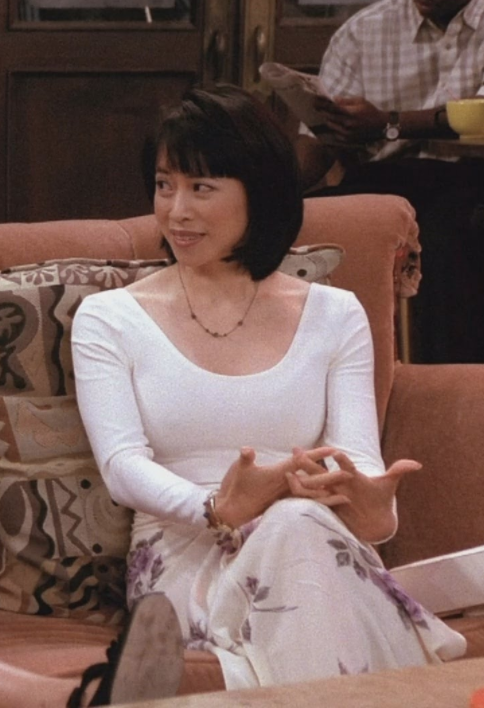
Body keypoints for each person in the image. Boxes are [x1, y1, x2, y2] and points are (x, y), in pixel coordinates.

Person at [0, 84, 465, 708]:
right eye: (164, 185)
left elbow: (354, 459)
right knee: (302, 535)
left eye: (202, 187)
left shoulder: (335, 315)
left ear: (259, 191)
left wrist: (372, 506)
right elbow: (122, 465)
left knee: (298, 522)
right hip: (186, 552)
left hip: (309, 542)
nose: (176, 211)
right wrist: (216, 506)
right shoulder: (111, 318)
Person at [296, 0, 484, 364]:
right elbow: (317, 139)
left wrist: (389, 123)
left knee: (445, 237)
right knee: (312, 222)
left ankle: (446, 378)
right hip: (380, 180)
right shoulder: (363, 30)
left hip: (471, 176)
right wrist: (274, 186)